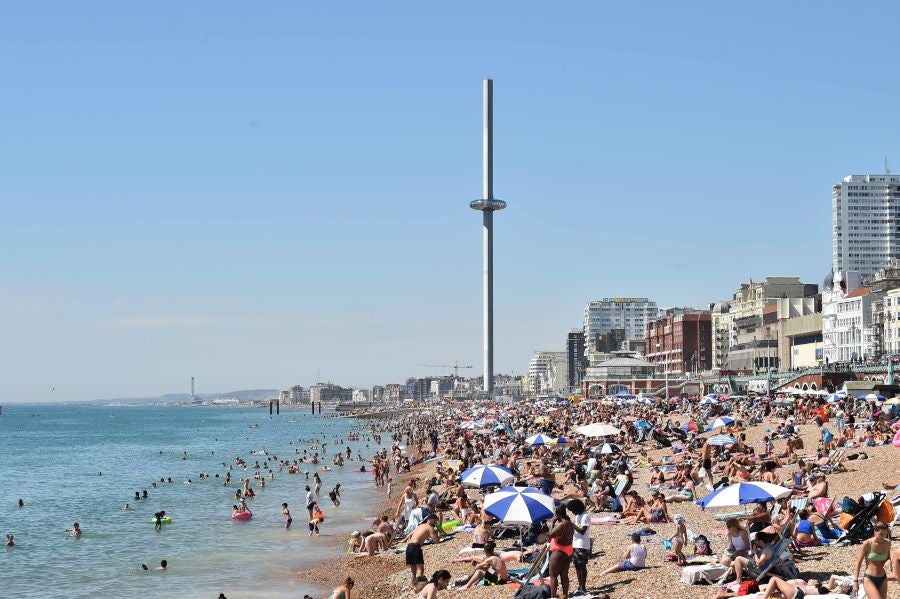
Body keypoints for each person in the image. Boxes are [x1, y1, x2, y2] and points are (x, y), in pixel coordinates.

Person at [853, 521, 891, 599]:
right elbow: (858, 562)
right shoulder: (867, 543)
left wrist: (889, 560)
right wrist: (855, 581)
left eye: (885, 534)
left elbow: (889, 558)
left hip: (883, 578)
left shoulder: (887, 543)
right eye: (881, 534)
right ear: (875, 531)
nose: (883, 536)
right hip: (869, 578)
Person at [403, 514, 439, 587]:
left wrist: (404, 539)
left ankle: (412, 584)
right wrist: (438, 532)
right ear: (432, 519)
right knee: (420, 568)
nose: (435, 523)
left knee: (413, 570)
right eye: (435, 521)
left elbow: (411, 533)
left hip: (409, 547)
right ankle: (419, 585)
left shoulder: (420, 525)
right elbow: (436, 541)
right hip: (416, 547)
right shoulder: (430, 528)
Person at [548, 505, 575, 599]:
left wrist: (552, 523)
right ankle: (565, 595)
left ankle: (553, 596)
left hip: (559, 551)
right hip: (569, 551)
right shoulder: (570, 523)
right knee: (564, 575)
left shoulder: (562, 524)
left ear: (557, 514)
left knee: (553, 575)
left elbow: (550, 535)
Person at [569, 499, 591, 597]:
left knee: (582, 566)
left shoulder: (585, 516)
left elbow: (582, 531)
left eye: (573, 510)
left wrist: (571, 524)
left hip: (582, 544)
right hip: (576, 543)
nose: (572, 513)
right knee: (577, 566)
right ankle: (580, 586)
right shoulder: (578, 516)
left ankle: (583, 587)